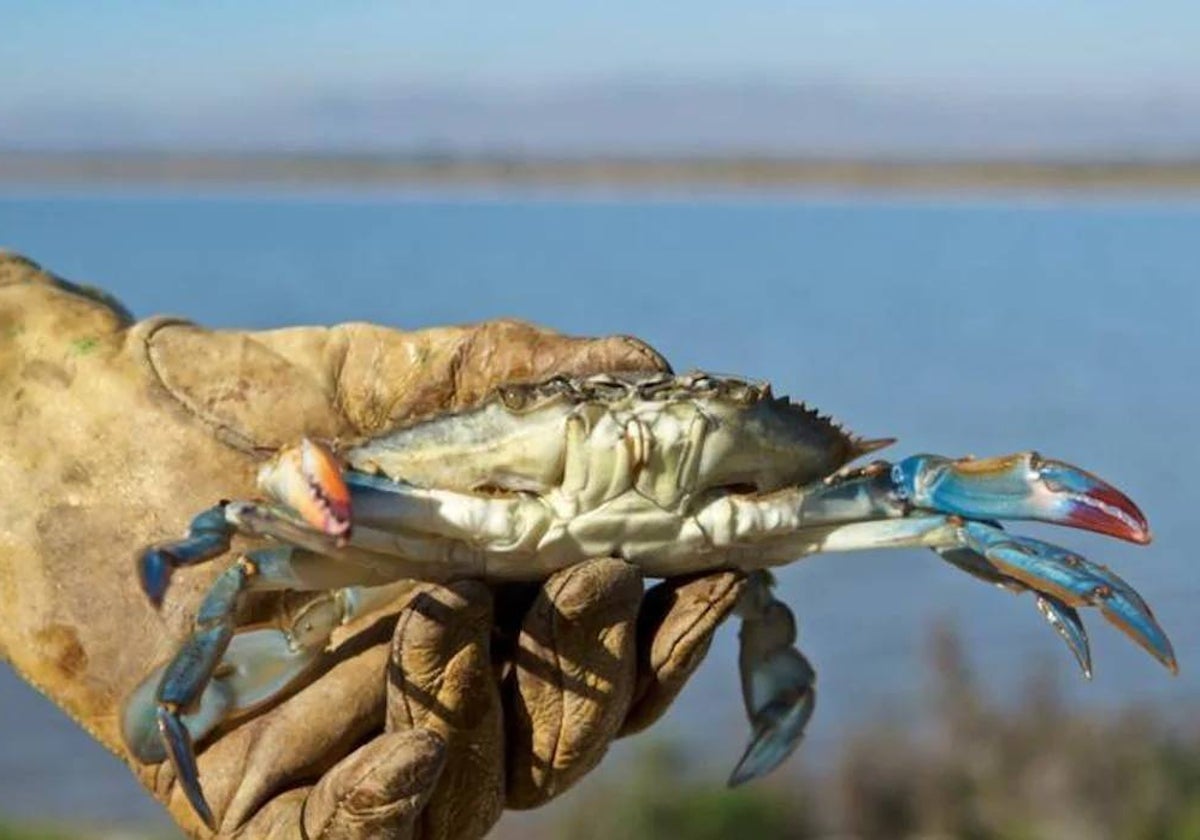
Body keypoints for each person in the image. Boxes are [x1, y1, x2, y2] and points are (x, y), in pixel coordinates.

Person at [0, 251, 745, 839]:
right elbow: (267, 508)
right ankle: (188, 696)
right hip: (412, 548)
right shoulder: (364, 509)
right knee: (261, 574)